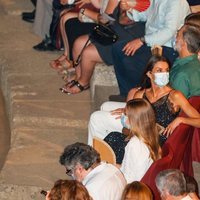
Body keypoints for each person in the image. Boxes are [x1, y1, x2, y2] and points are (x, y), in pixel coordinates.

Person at [61, 0, 190, 96]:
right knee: (119, 48)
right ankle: (126, 94)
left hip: (166, 48)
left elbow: (169, 31)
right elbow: (142, 15)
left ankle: (134, 95)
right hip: (149, 40)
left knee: (124, 52)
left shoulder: (176, 3)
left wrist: (141, 40)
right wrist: (128, 12)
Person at [88, 55, 200, 160]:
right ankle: (98, 162)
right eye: (159, 70)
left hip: (155, 142)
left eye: (166, 70)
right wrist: (127, 112)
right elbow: (134, 118)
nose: (164, 74)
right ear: (149, 74)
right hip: (140, 133)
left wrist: (181, 119)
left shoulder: (174, 96)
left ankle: (96, 162)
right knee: (113, 136)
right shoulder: (141, 94)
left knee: (112, 137)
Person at [59, 142, 126, 200]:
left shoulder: (90, 191)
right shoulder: (111, 168)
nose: (71, 176)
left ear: (79, 169)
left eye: (70, 172)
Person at [119, 98, 161, 183]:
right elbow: (128, 168)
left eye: (126, 115)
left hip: (130, 187)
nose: (124, 118)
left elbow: (134, 178)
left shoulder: (135, 144)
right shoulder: (151, 136)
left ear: (135, 120)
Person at [170, 24, 200, 98]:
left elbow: (175, 106)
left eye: (178, 34)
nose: (175, 37)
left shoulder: (182, 74)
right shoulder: (196, 63)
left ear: (184, 43)